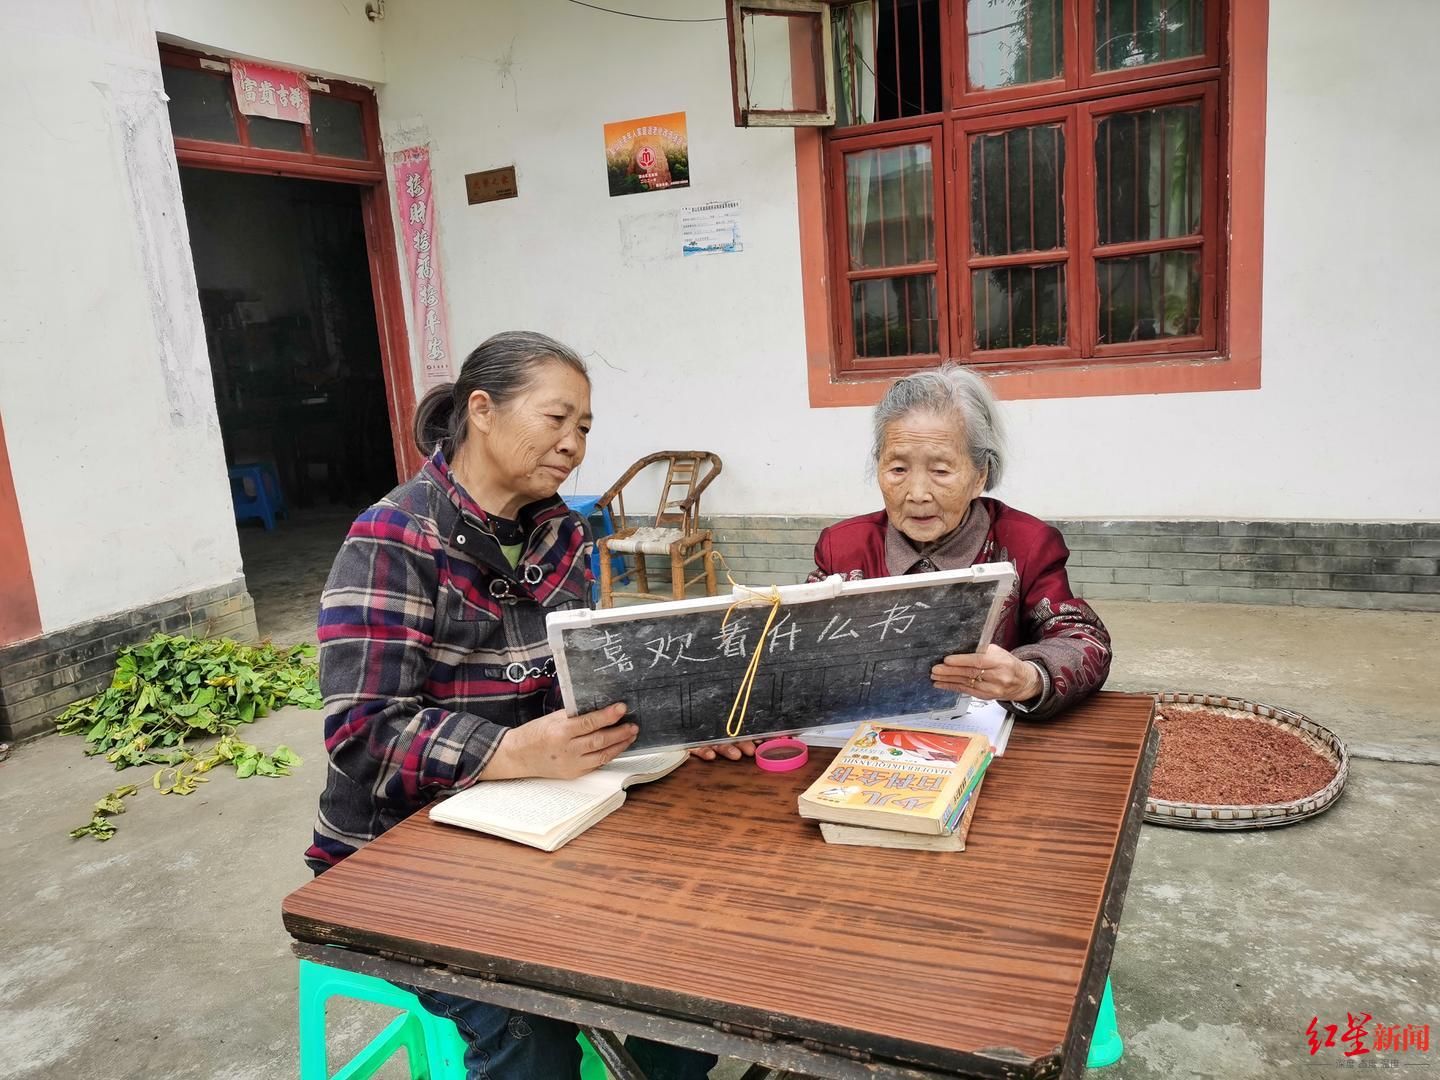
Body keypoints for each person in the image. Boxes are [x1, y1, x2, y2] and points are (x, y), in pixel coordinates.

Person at [305, 330, 717, 1079]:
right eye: (557, 419)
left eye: (585, 428)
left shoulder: (560, 529)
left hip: (539, 818)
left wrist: (691, 715)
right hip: (400, 854)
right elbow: (363, 732)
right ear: (483, 410)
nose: (574, 445)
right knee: (527, 1020)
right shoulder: (392, 538)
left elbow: (585, 678)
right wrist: (510, 751)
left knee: (684, 962)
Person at [690, 363, 1110, 766]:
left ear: (980, 474)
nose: (917, 493)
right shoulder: (845, 548)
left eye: (941, 470)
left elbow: (1083, 640)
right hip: (864, 752)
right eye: (897, 468)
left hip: (989, 760)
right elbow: (798, 648)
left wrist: (1029, 677)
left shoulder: (1025, 543)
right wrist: (744, 713)